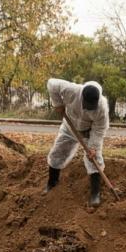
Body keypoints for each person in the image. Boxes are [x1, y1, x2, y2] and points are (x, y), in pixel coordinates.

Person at [45, 78, 109, 207]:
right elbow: (51, 83)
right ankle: (52, 183)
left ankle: (95, 194)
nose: (89, 109)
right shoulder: (72, 90)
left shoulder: (102, 107)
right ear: (82, 97)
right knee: (57, 152)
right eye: (87, 106)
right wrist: (57, 104)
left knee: (94, 158)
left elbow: (100, 129)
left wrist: (93, 147)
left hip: (88, 132)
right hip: (69, 127)